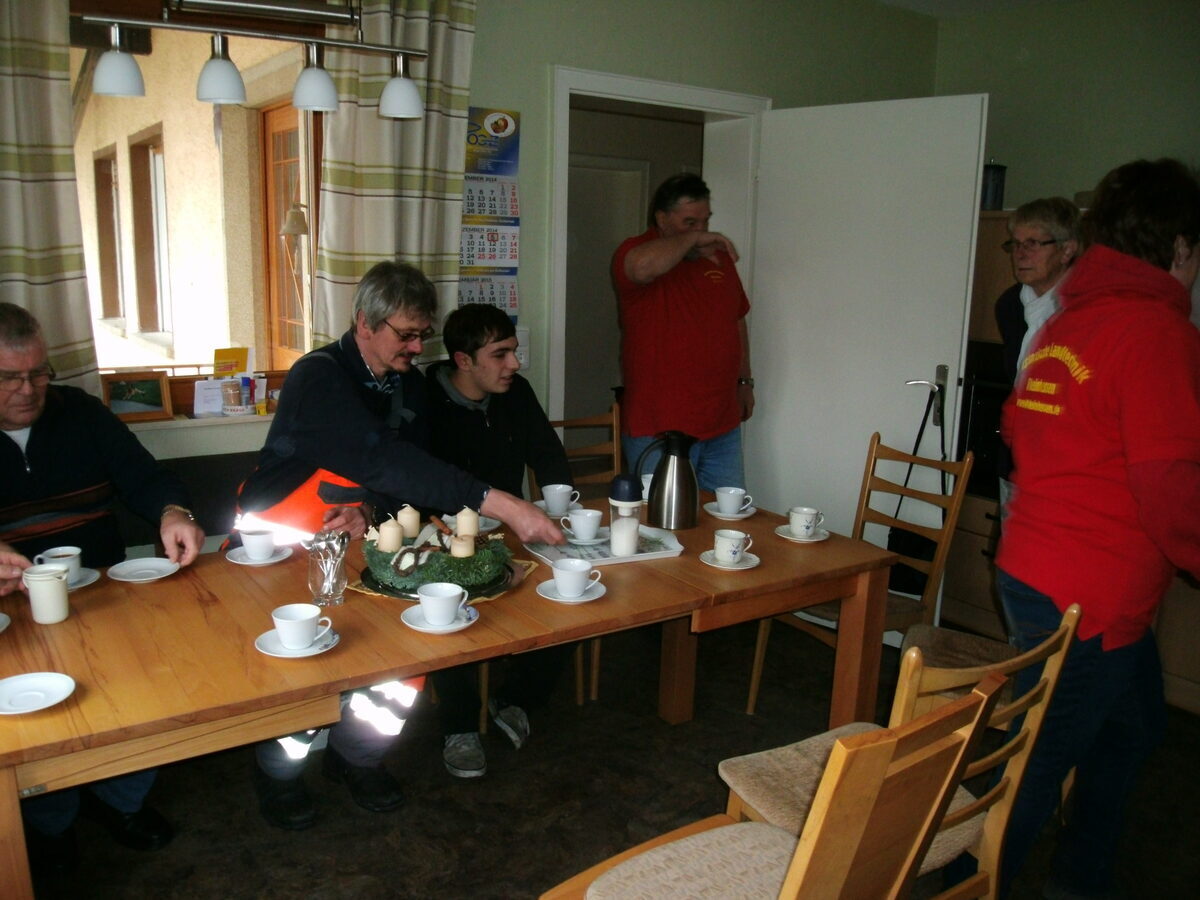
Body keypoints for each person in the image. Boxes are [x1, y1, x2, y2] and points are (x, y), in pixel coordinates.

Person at [236, 262, 562, 830]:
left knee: (398, 658)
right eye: (406, 335)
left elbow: (407, 470)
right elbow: (376, 456)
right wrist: (502, 502)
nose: (416, 348)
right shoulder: (318, 376)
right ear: (365, 322)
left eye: (422, 335)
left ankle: (357, 757)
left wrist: (367, 507)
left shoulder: (407, 382)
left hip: (364, 534)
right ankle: (279, 774)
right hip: (285, 536)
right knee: (306, 663)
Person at [995, 158, 1200, 898]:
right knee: (1037, 765)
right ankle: (963, 881)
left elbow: (1018, 426)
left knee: (1132, 728)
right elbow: (1170, 486)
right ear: (1179, 247)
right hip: (1090, 597)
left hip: (1033, 565)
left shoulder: (1070, 321)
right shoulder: (1158, 332)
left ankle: (1080, 876)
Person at [0, 302, 205, 872]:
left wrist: (174, 512)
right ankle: (49, 818)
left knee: (146, 684)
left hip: (105, 593)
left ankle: (120, 800)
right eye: (10, 377)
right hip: (12, 610)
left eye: (39, 373)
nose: (28, 390)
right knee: (32, 714)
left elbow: (146, 477)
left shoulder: (81, 413)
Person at [424, 303, 574, 778]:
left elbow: (549, 455)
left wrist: (562, 510)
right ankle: (459, 726)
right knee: (450, 609)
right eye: (501, 354)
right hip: (443, 537)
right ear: (463, 360)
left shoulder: (516, 393)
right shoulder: (425, 400)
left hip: (511, 534)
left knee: (571, 590)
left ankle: (516, 700)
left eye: (514, 351)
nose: (515, 363)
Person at [613, 173, 754, 491]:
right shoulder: (636, 250)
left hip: (721, 423)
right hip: (659, 428)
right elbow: (640, 268)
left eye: (705, 221)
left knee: (727, 516)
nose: (701, 231)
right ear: (661, 219)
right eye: (690, 222)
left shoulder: (717, 259)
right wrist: (693, 240)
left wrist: (745, 381)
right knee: (660, 518)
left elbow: (736, 319)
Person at [993, 197, 1081, 509]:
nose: (1020, 254)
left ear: (1067, 250)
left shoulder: (1084, 308)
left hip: (1067, 463)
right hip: (1016, 456)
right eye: (1015, 244)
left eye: (1032, 244)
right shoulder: (1009, 306)